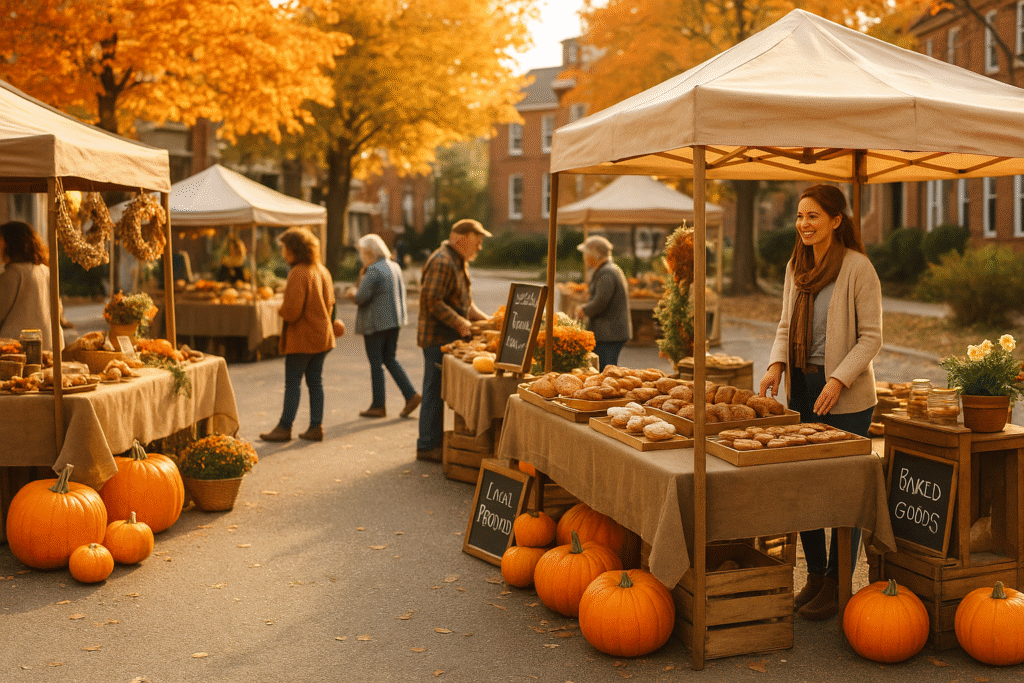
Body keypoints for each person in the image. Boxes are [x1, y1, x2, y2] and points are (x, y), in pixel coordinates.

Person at [758, 184, 882, 621]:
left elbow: (871, 337)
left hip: (846, 399)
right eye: (798, 216)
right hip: (803, 390)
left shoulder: (857, 268)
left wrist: (839, 378)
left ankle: (837, 581)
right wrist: (776, 366)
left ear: (835, 220)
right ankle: (815, 575)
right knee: (805, 490)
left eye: (813, 216)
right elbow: (784, 324)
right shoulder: (797, 267)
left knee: (840, 492)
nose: (804, 224)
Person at [415, 219, 491, 461]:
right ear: (461, 238)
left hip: (447, 338)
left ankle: (433, 441)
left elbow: (464, 304)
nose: (479, 247)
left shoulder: (457, 261)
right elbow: (432, 300)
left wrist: (486, 320)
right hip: (437, 338)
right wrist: (460, 322)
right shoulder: (442, 261)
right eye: (476, 241)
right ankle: (426, 445)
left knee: (439, 390)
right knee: (433, 390)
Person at [260, 228, 342, 443]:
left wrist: (279, 308)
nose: (283, 252)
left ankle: (284, 428)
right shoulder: (321, 270)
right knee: (315, 382)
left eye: (284, 248)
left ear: (293, 249)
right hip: (322, 336)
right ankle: (316, 427)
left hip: (303, 338)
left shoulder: (298, 272)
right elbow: (332, 304)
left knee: (293, 383)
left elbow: (292, 312)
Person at [348, 234, 421, 419]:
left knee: (376, 364)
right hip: (394, 321)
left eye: (363, 252)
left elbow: (359, 297)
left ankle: (378, 405)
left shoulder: (373, 270)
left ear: (370, 252)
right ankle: (410, 395)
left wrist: (351, 292)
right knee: (390, 359)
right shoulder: (394, 266)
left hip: (375, 324)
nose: (361, 256)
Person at [0, 221, 64, 350]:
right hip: (50, 344)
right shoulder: (46, 270)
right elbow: (58, 309)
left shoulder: (13, 272)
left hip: (17, 348)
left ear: (11, 243)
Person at [575, 235, 631, 369]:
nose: (585, 258)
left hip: (609, 334)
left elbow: (600, 302)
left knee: (606, 371)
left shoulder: (607, 273)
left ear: (594, 254)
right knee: (606, 371)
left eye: (586, 254)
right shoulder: (608, 270)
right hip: (610, 333)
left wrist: (583, 310)